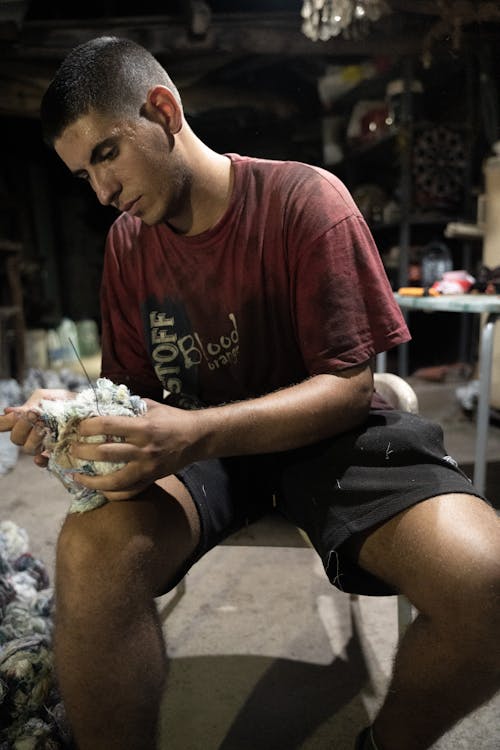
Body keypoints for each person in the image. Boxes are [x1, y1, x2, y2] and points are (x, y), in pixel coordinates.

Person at [1, 36, 499, 750]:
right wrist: (73, 429)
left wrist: (191, 433)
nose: (102, 192)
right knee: (89, 556)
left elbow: (350, 390)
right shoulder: (128, 246)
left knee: (485, 581)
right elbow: (134, 402)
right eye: (83, 174)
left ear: (164, 109)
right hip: (198, 459)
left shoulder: (305, 199)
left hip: (326, 441)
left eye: (105, 153)